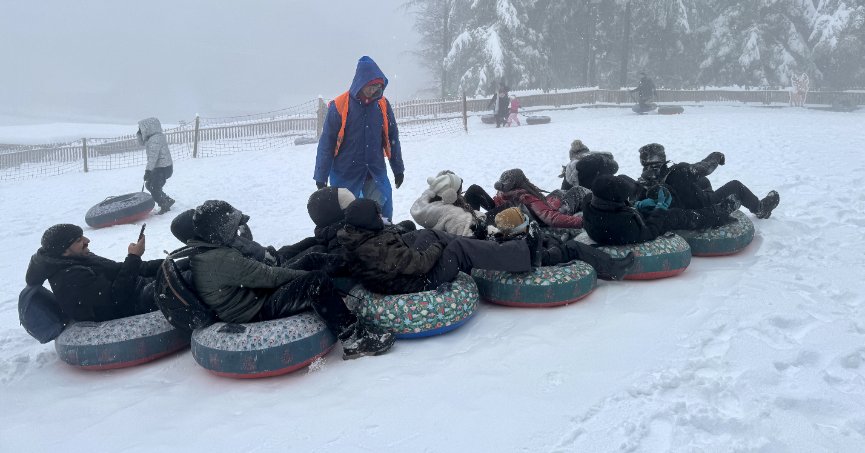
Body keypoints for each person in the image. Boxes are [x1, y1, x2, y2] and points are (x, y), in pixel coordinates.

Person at [184, 200, 394, 360]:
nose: (236, 232)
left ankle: (361, 268)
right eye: (232, 228)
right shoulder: (221, 258)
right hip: (254, 309)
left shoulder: (210, 250)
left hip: (255, 293)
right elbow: (270, 276)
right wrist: (307, 278)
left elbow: (259, 271)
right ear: (221, 231)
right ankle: (354, 340)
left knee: (311, 259)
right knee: (315, 282)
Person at [313, 56, 404, 221]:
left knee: (381, 215)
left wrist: (398, 169)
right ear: (361, 83)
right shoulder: (339, 106)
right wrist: (321, 176)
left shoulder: (382, 105)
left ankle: (384, 243)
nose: (375, 90)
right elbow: (327, 142)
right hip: (345, 174)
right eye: (371, 86)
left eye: (378, 86)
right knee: (346, 218)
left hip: (374, 173)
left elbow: (392, 137)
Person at [24, 224, 161, 322]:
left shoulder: (80, 257)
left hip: (135, 289)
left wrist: (168, 262)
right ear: (64, 251)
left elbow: (119, 269)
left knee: (173, 268)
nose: (87, 241)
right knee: (177, 283)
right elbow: (117, 299)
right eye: (79, 240)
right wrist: (134, 258)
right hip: (127, 306)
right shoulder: (70, 277)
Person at [581, 174, 742, 246]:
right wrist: (660, 210)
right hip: (642, 225)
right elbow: (648, 233)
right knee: (680, 216)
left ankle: (696, 198)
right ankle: (721, 211)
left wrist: (635, 206)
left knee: (666, 201)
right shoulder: (622, 224)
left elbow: (613, 208)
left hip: (626, 216)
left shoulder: (591, 204)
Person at [636, 143, 780, 219]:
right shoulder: (678, 172)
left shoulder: (645, 180)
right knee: (736, 185)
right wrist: (717, 156)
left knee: (703, 182)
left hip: (679, 207)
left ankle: (710, 197)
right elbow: (704, 168)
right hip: (700, 207)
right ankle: (760, 209)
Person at [491, 168, 584, 229]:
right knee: (577, 191)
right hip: (553, 213)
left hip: (539, 209)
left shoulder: (502, 195)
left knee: (558, 192)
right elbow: (552, 219)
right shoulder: (526, 197)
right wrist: (582, 222)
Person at [410, 170, 487, 238]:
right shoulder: (454, 214)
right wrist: (481, 222)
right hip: (469, 237)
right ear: (450, 194)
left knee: (473, 190)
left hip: (445, 234)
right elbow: (468, 240)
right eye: (459, 190)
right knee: (475, 190)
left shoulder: (428, 203)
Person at [137, 117, 175, 215]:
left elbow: (153, 158)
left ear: (148, 128)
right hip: (160, 167)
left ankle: (164, 205)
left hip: (163, 168)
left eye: (141, 129)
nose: (140, 131)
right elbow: (141, 143)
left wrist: (148, 171)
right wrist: (139, 134)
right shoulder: (153, 138)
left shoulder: (155, 139)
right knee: (149, 185)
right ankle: (167, 199)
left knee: (154, 188)